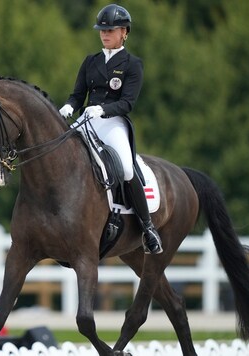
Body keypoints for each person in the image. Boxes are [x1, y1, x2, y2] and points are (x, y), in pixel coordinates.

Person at [59, 4, 162, 254]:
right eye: (102, 30)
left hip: (113, 122)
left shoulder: (132, 64)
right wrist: (69, 106)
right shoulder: (90, 61)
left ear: (124, 32)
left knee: (126, 168)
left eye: (110, 30)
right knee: (60, 154)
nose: (104, 34)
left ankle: (148, 228)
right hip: (86, 121)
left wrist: (103, 110)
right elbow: (77, 95)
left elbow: (127, 102)